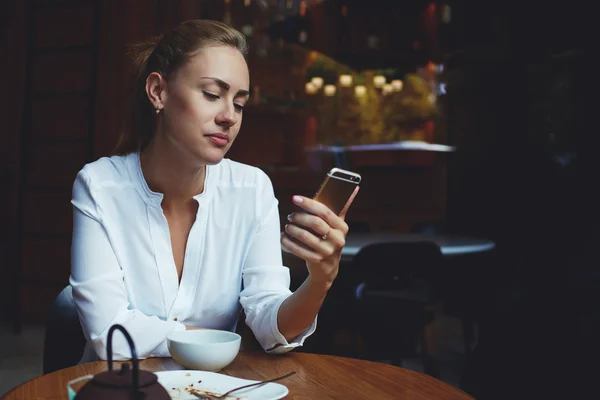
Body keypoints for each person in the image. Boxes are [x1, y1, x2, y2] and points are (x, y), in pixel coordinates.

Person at [70, 19, 358, 362]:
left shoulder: (251, 189)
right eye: (211, 94)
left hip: (216, 390)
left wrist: (320, 279)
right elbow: (109, 334)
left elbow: (272, 325)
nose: (229, 117)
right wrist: (222, 342)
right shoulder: (100, 186)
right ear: (158, 91)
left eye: (239, 103)